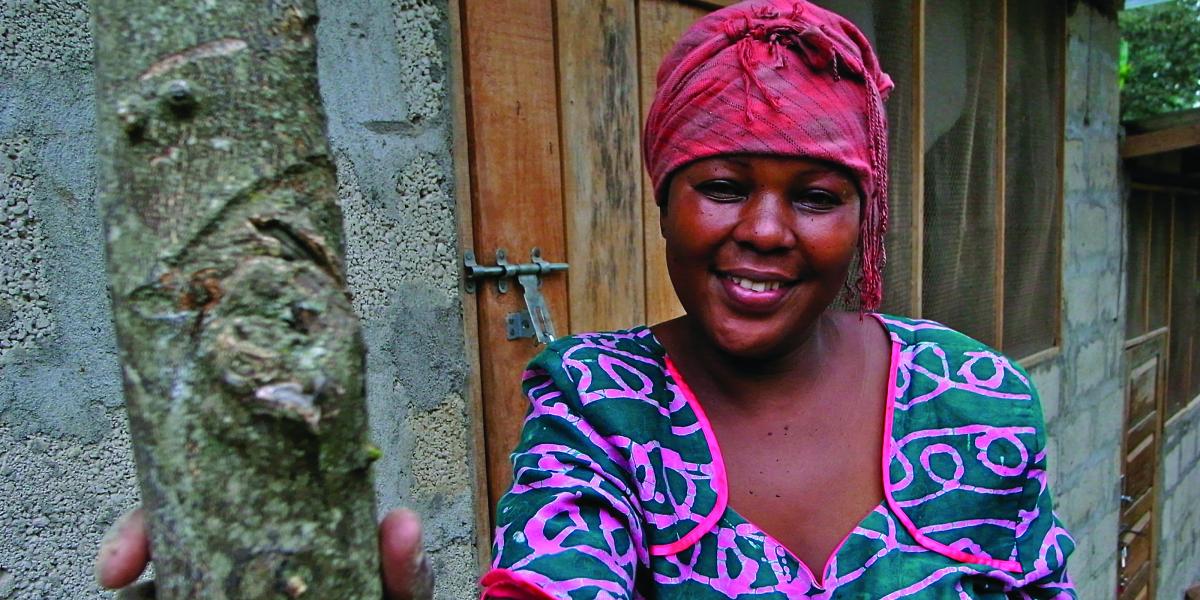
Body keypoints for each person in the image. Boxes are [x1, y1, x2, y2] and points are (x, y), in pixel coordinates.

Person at [99, 0, 1074, 597]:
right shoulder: (598, 405)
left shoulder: (976, 396)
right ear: (665, 197)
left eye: (816, 197)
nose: (768, 232)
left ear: (863, 218)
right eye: (724, 184)